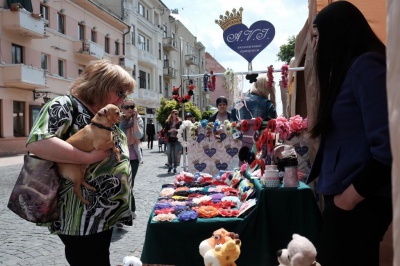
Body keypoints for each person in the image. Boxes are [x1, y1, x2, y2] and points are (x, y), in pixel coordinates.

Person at [26, 60, 136, 266]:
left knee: (97, 258)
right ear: (99, 86)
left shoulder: (105, 112)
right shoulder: (65, 106)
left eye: (125, 94)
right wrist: (87, 158)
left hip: (101, 214)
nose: (123, 99)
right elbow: (38, 142)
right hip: (80, 216)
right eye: (120, 92)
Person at [306, 2, 392, 265]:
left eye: (318, 36)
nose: (316, 46)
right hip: (349, 200)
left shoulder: (366, 66)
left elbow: (388, 148)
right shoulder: (349, 71)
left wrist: (348, 200)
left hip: (359, 202)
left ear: (337, 32)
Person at [119, 98, 144, 221]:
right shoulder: (118, 120)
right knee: (121, 184)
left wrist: (134, 120)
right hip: (120, 156)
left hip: (133, 157)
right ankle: (122, 213)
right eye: (127, 107)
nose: (129, 109)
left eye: (132, 106)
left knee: (129, 183)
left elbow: (138, 136)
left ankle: (130, 210)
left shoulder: (138, 120)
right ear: (122, 109)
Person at [165, 109, 182, 174]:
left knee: (175, 154)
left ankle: (174, 167)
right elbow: (165, 131)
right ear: (172, 114)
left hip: (176, 139)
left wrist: (176, 130)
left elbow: (181, 130)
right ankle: (170, 165)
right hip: (169, 139)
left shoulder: (180, 122)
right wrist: (170, 130)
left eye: (177, 114)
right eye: (175, 114)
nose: (176, 115)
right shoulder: (168, 122)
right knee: (169, 153)